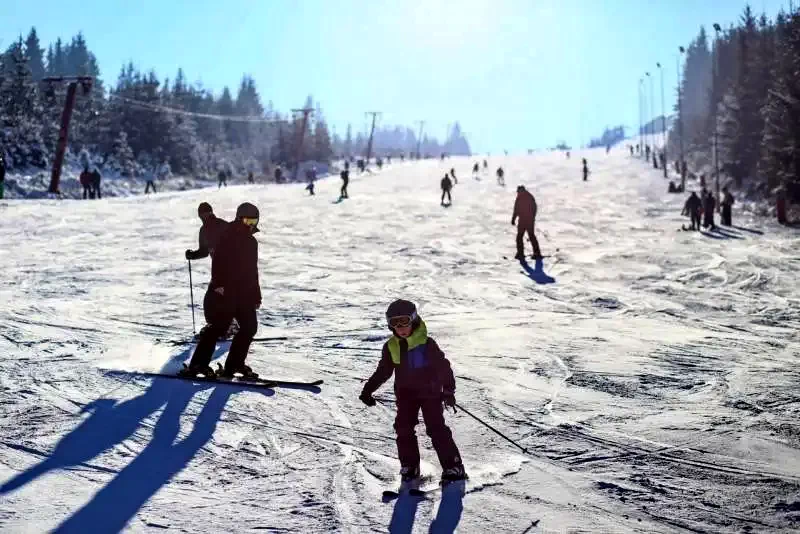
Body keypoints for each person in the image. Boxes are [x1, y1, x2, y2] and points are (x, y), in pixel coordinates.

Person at [359, 299, 467, 485]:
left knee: (435, 428)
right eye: (394, 323)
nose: (400, 327)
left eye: (404, 321)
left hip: (430, 393)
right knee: (403, 428)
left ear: (414, 320)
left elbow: (443, 367)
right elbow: (383, 371)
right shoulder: (391, 346)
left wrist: (448, 390)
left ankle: (453, 466)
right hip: (406, 395)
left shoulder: (426, 344)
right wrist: (368, 390)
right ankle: (410, 466)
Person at [181, 202, 262, 378]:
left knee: (249, 327)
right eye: (248, 221)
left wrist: (256, 294)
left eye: (254, 221)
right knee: (219, 327)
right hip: (226, 290)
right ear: (240, 219)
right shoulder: (227, 237)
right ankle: (197, 365)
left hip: (245, 293)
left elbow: (253, 270)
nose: (251, 225)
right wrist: (218, 285)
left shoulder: (251, 242)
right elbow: (217, 262)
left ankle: (234, 365)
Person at [511, 185, 543, 260]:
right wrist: (513, 219)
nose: (518, 193)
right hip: (526, 220)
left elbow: (517, 209)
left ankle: (522, 253)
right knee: (527, 236)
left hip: (525, 220)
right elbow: (517, 209)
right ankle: (533, 253)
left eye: (518, 191)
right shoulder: (527, 197)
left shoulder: (526, 197)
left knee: (522, 236)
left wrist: (514, 219)